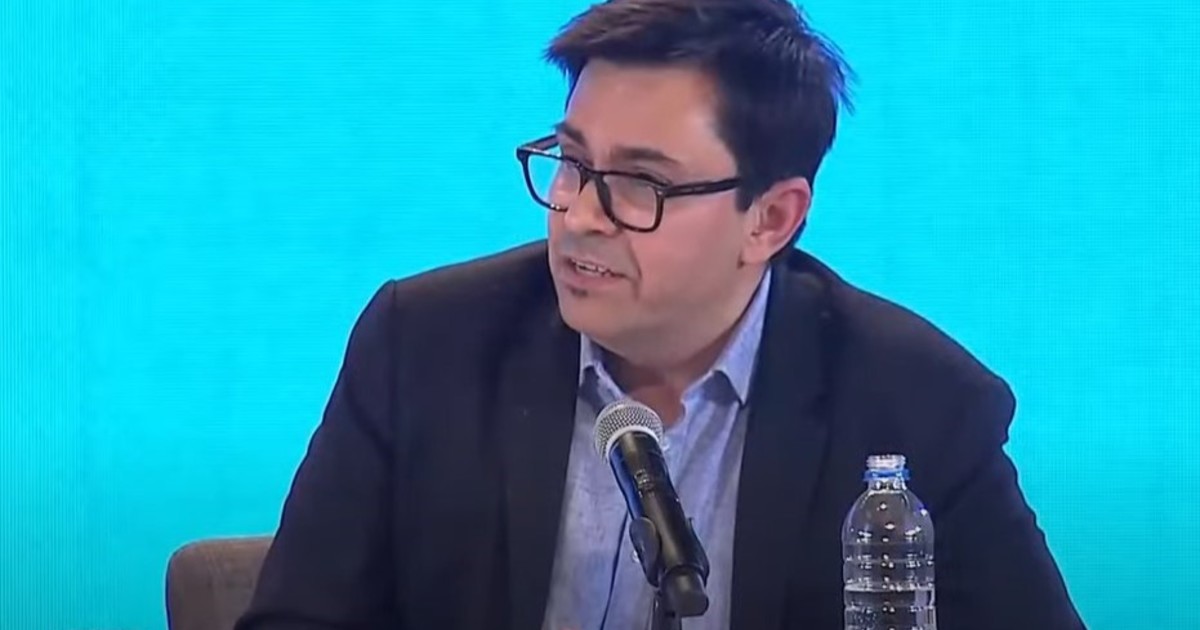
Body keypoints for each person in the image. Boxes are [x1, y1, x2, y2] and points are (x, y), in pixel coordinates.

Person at [236, 0, 1084, 628]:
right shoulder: (425, 345)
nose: (579, 214)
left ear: (772, 219)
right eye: (571, 162)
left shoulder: (917, 402)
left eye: (639, 183)